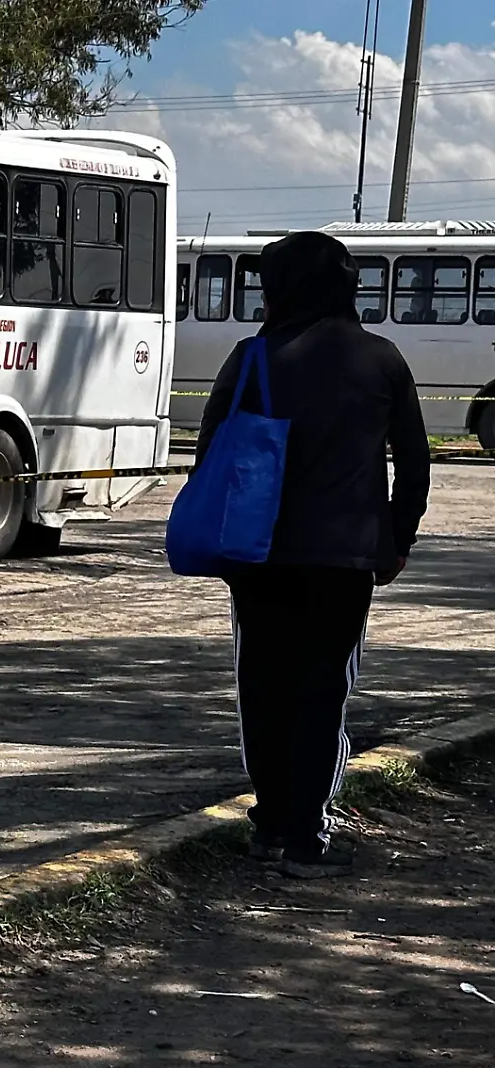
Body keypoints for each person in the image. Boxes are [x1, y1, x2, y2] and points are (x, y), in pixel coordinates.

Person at [196, 230, 429, 880]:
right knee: (323, 692)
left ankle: (269, 827)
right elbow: (415, 461)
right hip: (345, 561)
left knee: (263, 689)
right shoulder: (381, 359)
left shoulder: (251, 359)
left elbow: (209, 453)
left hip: (258, 556)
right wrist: (398, 539)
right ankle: (306, 837)